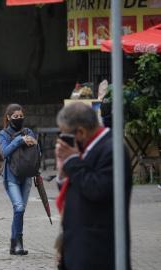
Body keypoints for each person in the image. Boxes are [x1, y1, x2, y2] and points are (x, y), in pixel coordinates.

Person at [54, 102, 132, 270]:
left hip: (98, 252)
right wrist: (62, 171)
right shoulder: (84, 149)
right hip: (77, 248)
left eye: (66, 136)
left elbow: (97, 189)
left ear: (80, 132)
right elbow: (78, 189)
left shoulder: (112, 149)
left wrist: (72, 161)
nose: (63, 140)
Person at [0, 104, 38, 255]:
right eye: (16, 117)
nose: (19, 119)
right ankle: (17, 243)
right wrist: (19, 141)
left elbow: (36, 151)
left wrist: (33, 142)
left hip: (27, 176)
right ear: (8, 118)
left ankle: (15, 245)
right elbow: (4, 152)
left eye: (21, 116)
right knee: (19, 207)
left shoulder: (28, 131)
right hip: (11, 177)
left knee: (19, 211)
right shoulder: (3, 134)